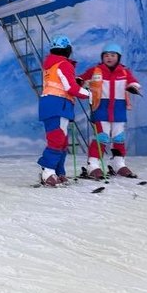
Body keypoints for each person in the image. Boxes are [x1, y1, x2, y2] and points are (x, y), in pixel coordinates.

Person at [79, 42, 142, 178]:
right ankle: (93, 165)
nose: (109, 58)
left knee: (119, 138)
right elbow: (80, 79)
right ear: (102, 57)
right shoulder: (95, 70)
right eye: (106, 55)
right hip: (101, 108)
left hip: (119, 110)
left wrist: (133, 87)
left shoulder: (124, 71)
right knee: (102, 137)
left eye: (113, 55)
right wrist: (82, 83)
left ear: (118, 57)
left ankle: (118, 164)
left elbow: (134, 82)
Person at [37, 32, 91, 187]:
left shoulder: (51, 65)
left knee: (61, 140)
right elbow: (70, 88)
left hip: (52, 105)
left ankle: (58, 171)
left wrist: (76, 82)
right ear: (68, 50)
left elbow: (63, 83)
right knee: (57, 139)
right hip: (58, 105)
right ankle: (48, 171)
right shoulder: (64, 64)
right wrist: (88, 94)